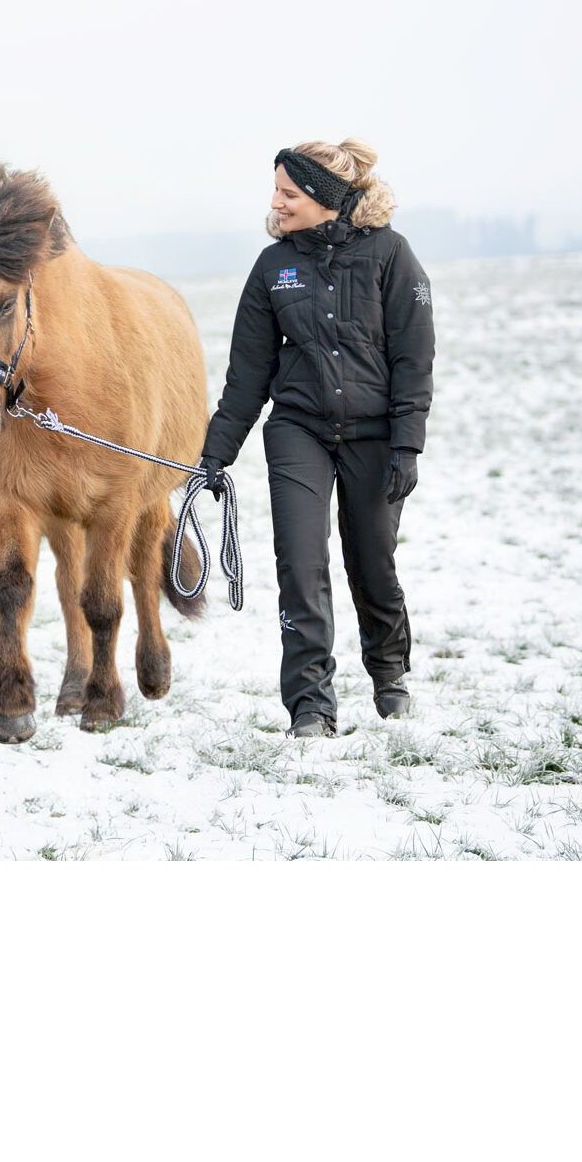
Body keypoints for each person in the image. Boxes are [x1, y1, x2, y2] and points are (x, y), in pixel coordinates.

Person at [199, 139, 435, 738]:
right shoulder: (272, 267)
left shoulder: (391, 256)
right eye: (275, 191)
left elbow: (414, 358)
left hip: (376, 435)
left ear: (327, 200)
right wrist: (215, 453)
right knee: (301, 569)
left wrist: (407, 444)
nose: (276, 203)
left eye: (289, 193)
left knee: (372, 564)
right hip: (299, 430)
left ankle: (389, 674)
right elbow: (247, 374)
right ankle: (311, 706)